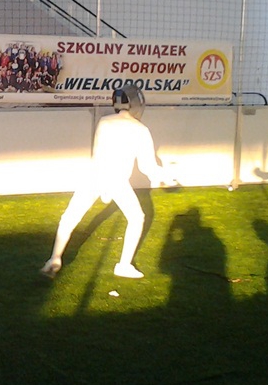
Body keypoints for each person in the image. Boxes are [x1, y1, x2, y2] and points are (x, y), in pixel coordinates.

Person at [41, 84, 172, 280]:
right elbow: (148, 168)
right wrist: (166, 176)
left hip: (93, 175)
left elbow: (99, 153)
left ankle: (55, 258)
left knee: (70, 217)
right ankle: (124, 265)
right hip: (116, 180)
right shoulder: (141, 130)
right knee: (137, 218)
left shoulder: (104, 121)